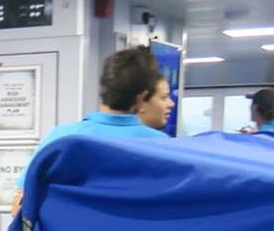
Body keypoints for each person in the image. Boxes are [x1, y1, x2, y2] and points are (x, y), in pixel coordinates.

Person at [13, 46, 173, 213]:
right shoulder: (162, 146)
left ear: (104, 87)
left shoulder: (60, 137)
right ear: (142, 96)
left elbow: (19, 209)